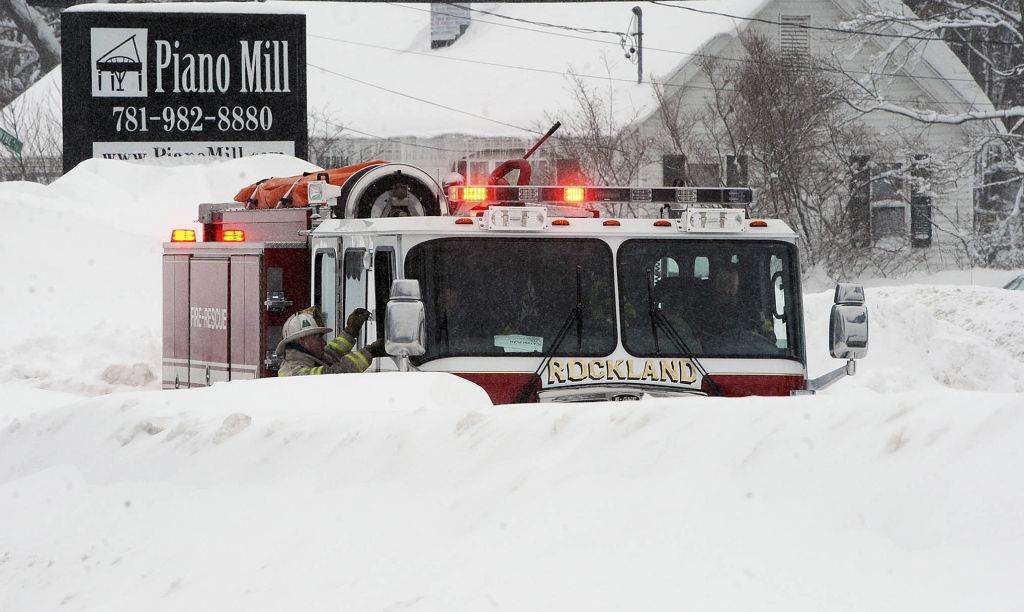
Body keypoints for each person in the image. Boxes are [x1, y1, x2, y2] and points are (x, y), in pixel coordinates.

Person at [277, 306, 386, 376]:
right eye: (319, 338)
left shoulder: (308, 360)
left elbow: (332, 353)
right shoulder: (292, 372)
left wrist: (351, 331)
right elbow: (334, 375)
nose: (324, 342)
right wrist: (369, 352)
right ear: (302, 340)